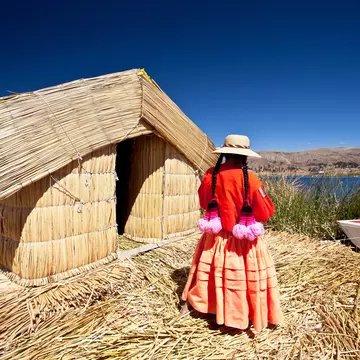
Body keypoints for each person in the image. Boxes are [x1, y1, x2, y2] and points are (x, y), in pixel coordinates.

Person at [180, 134, 283, 332]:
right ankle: (239, 315)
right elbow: (265, 212)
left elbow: (203, 203)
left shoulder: (211, 175)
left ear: (224, 154)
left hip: (215, 238)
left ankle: (211, 308)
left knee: (213, 274)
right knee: (239, 280)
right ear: (245, 156)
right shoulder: (251, 180)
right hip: (243, 242)